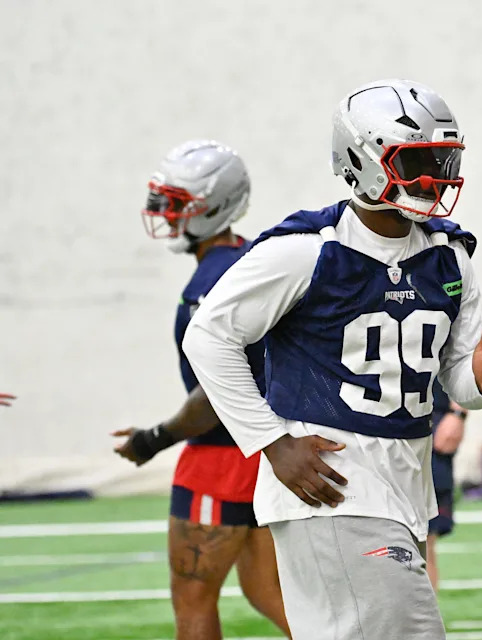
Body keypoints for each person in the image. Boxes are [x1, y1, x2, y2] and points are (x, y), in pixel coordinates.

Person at [183, 79, 482, 640]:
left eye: (442, 159)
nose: (434, 176)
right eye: (416, 161)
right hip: (335, 484)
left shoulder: (449, 255)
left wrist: (479, 383)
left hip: (403, 486)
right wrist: (270, 441)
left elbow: (453, 377)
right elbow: (209, 337)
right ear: (360, 160)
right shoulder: (303, 250)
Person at [111, 140, 289, 640]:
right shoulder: (258, 259)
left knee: (193, 602)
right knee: (271, 592)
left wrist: (153, 438)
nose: (165, 213)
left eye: (177, 203)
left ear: (212, 207)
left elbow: (215, 393)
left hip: (221, 457)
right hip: (270, 451)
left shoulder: (208, 287)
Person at [427, 382, 468, 589]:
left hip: (427, 416)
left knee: (424, 538)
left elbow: (459, 353)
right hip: (365, 418)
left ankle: (422, 621)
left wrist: (458, 413)